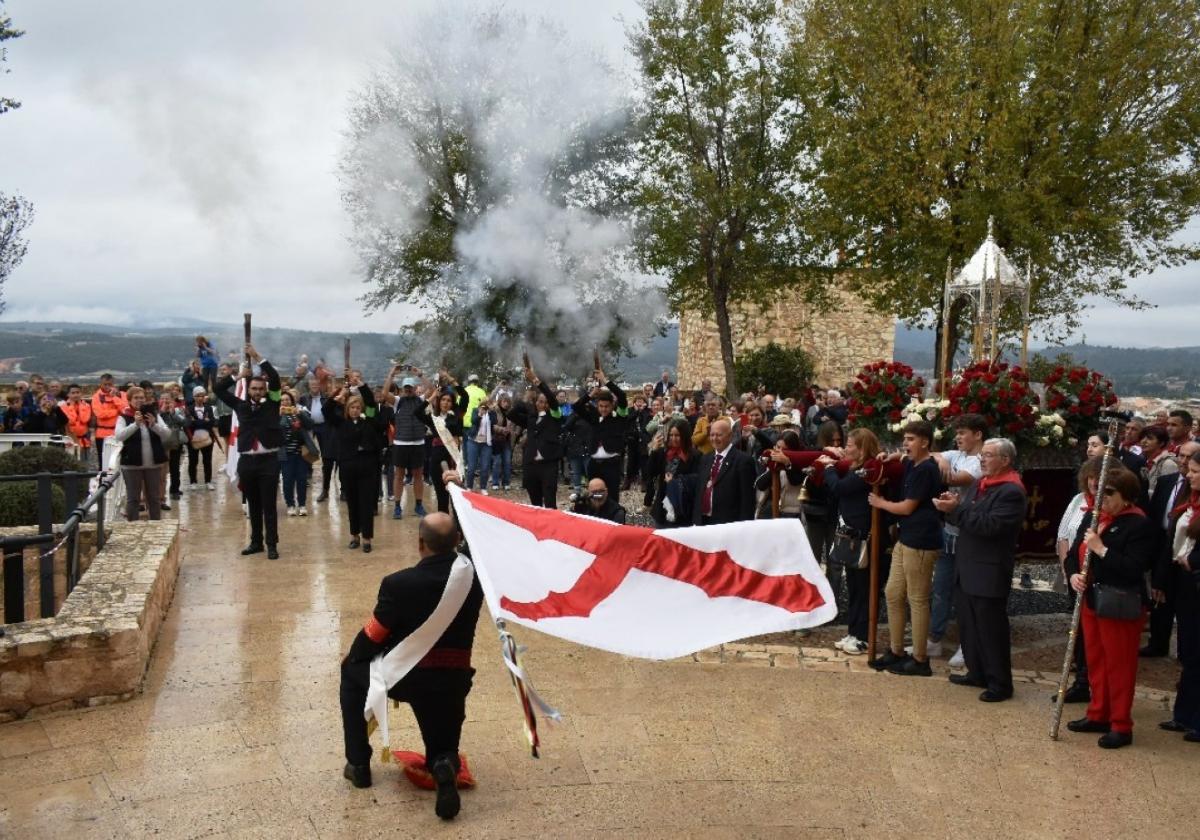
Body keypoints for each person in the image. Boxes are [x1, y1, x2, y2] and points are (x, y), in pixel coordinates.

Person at [338, 510, 484, 820]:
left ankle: (359, 764)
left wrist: (353, 656)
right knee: (443, 745)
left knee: (351, 674)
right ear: (457, 540)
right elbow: (478, 541)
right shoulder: (475, 578)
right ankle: (443, 764)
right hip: (451, 680)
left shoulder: (398, 583)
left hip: (404, 678)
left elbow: (375, 634)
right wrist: (457, 491)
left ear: (420, 543)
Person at [1066, 466, 1156, 748]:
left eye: (1110, 493)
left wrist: (1101, 549)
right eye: (1100, 491)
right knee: (1095, 660)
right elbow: (1072, 554)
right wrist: (1073, 575)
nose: (1102, 497)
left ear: (1126, 495)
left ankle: (1121, 724)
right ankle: (1098, 713)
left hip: (1119, 603)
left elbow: (1132, 568)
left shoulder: (1138, 524)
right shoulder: (1095, 517)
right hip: (1093, 599)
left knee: (1119, 665)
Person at [934, 438, 1026, 702]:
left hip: (988, 570)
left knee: (990, 628)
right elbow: (966, 518)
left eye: (988, 455)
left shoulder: (1011, 491)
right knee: (969, 625)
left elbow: (990, 525)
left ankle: (999, 683)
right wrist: (951, 507)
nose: (982, 460)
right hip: (968, 566)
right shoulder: (981, 484)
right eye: (982, 455)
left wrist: (958, 509)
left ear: (1005, 460)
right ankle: (976, 672)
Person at [868, 420, 944, 677]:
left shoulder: (926, 470)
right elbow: (902, 458)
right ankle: (897, 650)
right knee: (892, 592)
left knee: (918, 599)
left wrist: (880, 503)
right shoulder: (913, 462)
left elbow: (908, 507)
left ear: (925, 442)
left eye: (911, 439)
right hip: (906, 537)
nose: (906, 444)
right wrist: (892, 455)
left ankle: (920, 659)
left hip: (922, 540)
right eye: (905, 439)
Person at [928, 414, 987, 660]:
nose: (958, 437)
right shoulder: (957, 455)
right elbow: (931, 456)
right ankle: (934, 640)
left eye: (963, 432)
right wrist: (940, 457)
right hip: (949, 532)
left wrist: (940, 466)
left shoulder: (982, 460)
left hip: (970, 534)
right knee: (940, 589)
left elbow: (959, 479)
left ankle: (968, 645)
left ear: (978, 435)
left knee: (967, 593)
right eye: (957, 432)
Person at [216, 345, 283, 560]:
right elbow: (218, 390)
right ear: (249, 390)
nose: (257, 392)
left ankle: (271, 543)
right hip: (247, 461)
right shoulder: (240, 405)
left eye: (260, 389)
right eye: (253, 389)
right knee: (252, 504)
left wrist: (257, 357)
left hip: (268, 461)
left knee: (269, 505)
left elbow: (274, 377)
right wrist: (237, 376)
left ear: (265, 390)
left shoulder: (273, 403)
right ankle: (256, 542)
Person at [820, 428, 882, 655]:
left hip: (864, 536)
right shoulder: (854, 468)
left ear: (862, 448)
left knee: (865, 589)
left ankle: (863, 636)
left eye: (850, 444)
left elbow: (840, 488)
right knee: (854, 587)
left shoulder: (867, 469)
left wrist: (828, 469)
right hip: (850, 533)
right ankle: (854, 631)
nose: (846, 448)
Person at [1053, 457, 1105, 704]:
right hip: (1075, 578)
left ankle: (1099, 687)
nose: (1094, 482)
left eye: (1099, 477)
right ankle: (1082, 682)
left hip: (1100, 584)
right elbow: (1064, 536)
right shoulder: (1078, 501)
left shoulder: (1112, 507)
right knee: (1080, 634)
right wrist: (1068, 570)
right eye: (1091, 477)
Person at [1144, 439, 1200, 657]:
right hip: (1169, 550)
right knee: (1161, 600)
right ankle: (1159, 643)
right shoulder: (1169, 483)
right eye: (1182, 456)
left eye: (1191, 460)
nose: (1184, 463)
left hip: (1191, 567)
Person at [1160, 449, 1200, 741]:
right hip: (1185, 585)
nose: (1188, 474)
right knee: (1190, 653)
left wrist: (1194, 561)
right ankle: (1184, 714)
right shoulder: (1191, 503)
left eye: (1196, 471)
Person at [328, 373, 383, 553]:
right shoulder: (341, 423)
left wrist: (360, 384)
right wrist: (340, 392)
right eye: (352, 407)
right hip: (348, 466)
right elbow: (326, 410)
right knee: (352, 502)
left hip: (367, 465)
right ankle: (354, 535)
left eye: (358, 407)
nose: (355, 409)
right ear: (347, 409)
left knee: (366, 502)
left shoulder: (369, 421)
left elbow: (371, 402)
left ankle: (367, 538)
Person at [572, 366, 631, 500]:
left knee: (611, 495)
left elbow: (622, 396)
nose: (604, 409)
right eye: (601, 406)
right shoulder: (593, 417)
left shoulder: (619, 417)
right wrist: (590, 395)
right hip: (594, 463)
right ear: (597, 405)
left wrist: (605, 381)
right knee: (595, 495)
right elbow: (576, 407)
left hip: (611, 464)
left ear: (612, 405)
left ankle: (611, 518)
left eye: (607, 406)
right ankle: (597, 518)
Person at [113, 386, 170, 521]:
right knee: (133, 498)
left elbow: (167, 435)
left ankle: (156, 525)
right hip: (131, 464)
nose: (139, 400)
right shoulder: (124, 416)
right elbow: (119, 436)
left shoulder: (153, 414)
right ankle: (133, 526)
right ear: (129, 400)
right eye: (136, 398)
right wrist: (135, 425)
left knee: (154, 498)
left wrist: (154, 425)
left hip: (153, 464)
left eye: (142, 397)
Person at [508, 367, 563, 509]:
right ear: (536, 402)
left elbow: (551, 398)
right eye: (540, 401)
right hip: (531, 464)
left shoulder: (555, 416)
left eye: (545, 402)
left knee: (550, 501)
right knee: (535, 503)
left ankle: (552, 528)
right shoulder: (531, 418)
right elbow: (512, 414)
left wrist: (536, 381)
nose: (543, 404)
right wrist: (526, 400)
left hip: (548, 464)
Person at [414, 375, 469, 513]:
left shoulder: (457, 415)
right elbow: (417, 412)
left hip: (453, 458)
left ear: (452, 403)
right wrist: (432, 396)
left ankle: (459, 529)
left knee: (457, 497)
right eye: (443, 399)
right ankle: (444, 529)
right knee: (442, 498)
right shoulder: (434, 419)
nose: (445, 403)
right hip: (436, 459)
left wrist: (451, 379)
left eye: (449, 400)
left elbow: (465, 396)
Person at [383, 366, 430, 519]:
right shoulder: (398, 401)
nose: (408, 390)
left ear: (415, 388)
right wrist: (391, 373)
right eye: (406, 388)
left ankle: (418, 505)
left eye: (410, 387)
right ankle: (397, 506)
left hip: (418, 443)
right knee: (399, 475)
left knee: (418, 475)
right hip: (401, 443)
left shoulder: (421, 400)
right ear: (403, 389)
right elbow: (384, 394)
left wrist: (420, 374)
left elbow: (431, 388)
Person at [692, 418, 756, 525]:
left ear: (730, 436)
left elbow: (747, 500)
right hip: (703, 521)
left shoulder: (743, 461)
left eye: (719, 435)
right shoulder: (705, 459)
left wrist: (744, 527)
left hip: (727, 524)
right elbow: (700, 491)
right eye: (712, 435)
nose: (714, 438)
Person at [644, 417, 698, 527]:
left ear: (685, 436)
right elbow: (650, 473)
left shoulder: (694, 455)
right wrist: (654, 451)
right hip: (663, 502)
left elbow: (696, 480)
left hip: (682, 503)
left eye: (677, 435)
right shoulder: (663, 452)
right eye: (671, 435)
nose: (673, 439)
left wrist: (676, 482)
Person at [278, 390, 315, 517]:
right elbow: (276, 429)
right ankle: (290, 504)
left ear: (292, 401)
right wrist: (280, 415)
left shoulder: (299, 412)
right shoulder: (276, 415)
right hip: (286, 454)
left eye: (287, 399)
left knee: (301, 479)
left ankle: (302, 504)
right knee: (287, 480)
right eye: (282, 400)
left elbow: (310, 424)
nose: (285, 402)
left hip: (301, 453)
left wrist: (300, 414)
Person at [91, 373, 128, 470]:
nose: (107, 387)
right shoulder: (96, 397)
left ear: (113, 384)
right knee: (103, 462)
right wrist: (116, 411)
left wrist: (114, 398)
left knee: (119, 461)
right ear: (101, 384)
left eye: (110, 384)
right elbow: (100, 414)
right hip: (102, 434)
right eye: (105, 384)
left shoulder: (121, 394)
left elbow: (125, 410)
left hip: (118, 433)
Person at [184, 386, 219, 490]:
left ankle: (208, 481)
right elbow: (188, 424)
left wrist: (196, 421)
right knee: (193, 461)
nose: (200, 398)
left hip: (207, 439)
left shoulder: (209, 408)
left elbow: (212, 422)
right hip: (193, 439)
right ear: (194, 397)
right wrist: (204, 421)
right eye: (197, 395)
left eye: (202, 395)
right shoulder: (189, 409)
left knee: (207, 461)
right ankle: (193, 481)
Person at [461, 374, 489, 490]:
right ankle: (474, 468)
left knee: (467, 447)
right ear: (477, 382)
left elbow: (459, 405)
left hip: (465, 422)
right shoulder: (482, 392)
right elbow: (485, 404)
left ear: (469, 381)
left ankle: (468, 467)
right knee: (476, 445)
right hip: (477, 423)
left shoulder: (464, 390)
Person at [59, 384, 93, 462]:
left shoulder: (86, 406)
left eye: (78, 392)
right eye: (73, 393)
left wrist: (80, 406)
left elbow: (85, 419)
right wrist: (71, 406)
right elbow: (71, 420)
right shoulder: (63, 407)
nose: (76, 395)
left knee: (85, 463)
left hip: (84, 441)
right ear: (68, 394)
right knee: (71, 463)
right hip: (70, 440)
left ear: (81, 393)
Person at [1140, 426, 1177, 496]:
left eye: (1149, 438)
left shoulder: (1168, 464)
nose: (1144, 441)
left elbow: (1166, 493)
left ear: (1161, 443)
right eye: (1142, 438)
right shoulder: (1142, 460)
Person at [490, 394, 515, 491]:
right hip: (496, 440)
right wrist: (501, 430)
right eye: (504, 401)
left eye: (508, 402)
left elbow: (514, 425)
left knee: (507, 461)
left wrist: (512, 431)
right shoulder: (494, 411)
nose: (506, 404)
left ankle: (506, 482)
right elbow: (491, 425)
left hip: (507, 440)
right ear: (500, 401)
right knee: (497, 462)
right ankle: (495, 482)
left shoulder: (510, 412)